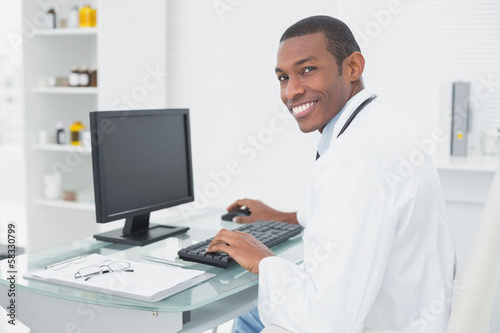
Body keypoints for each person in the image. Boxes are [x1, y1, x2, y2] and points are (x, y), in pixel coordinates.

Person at [207, 15, 456, 333]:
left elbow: (327, 321)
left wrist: (264, 261)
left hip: (373, 323)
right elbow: (361, 214)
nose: (291, 91)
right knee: (247, 315)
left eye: (307, 70)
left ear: (352, 67)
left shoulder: (352, 160)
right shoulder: (382, 124)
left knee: (235, 318)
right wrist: (285, 216)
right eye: (283, 77)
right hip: (417, 314)